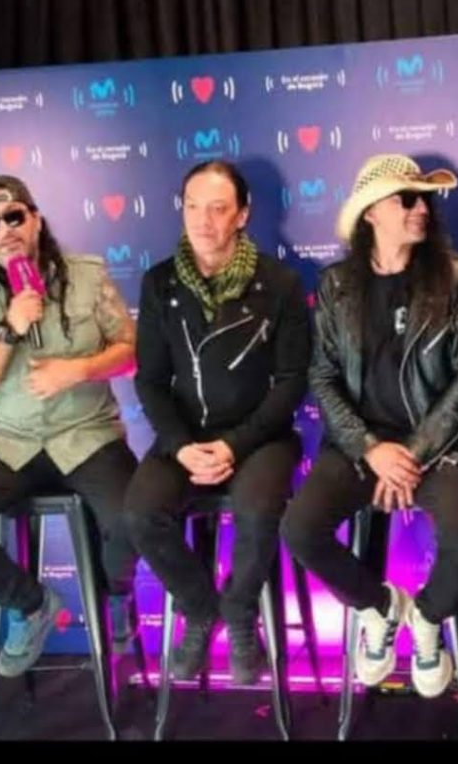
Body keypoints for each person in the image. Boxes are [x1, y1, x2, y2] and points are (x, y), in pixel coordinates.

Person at [282, 153, 458, 699]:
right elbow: (322, 377)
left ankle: (427, 618)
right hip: (360, 447)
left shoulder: (457, 278)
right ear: (370, 212)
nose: (422, 209)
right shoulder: (336, 285)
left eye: (426, 200)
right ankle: (379, 606)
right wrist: (371, 448)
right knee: (299, 529)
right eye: (407, 199)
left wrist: (413, 451)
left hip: (439, 448)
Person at [0, 174, 140, 677]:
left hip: (88, 434)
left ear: (35, 220)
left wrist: (80, 369)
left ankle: (117, 595)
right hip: (12, 442)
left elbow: (132, 353)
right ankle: (31, 605)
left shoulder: (87, 276)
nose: (4, 230)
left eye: (14, 216)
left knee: (133, 518)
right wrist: (10, 326)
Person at [125, 160, 310, 685]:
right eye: (192, 207)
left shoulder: (279, 283)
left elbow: (291, 382)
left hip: (260, 437)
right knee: (140, 513)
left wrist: (234, 445)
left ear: (242, 215)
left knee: (258, 509)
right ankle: (200, 608)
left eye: (217, 208)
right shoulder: (159, 282)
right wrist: (181, 445)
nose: (202, 221)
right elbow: (150, 380)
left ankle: (241, 611)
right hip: (184, 437)